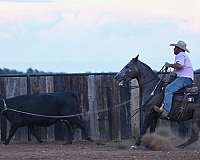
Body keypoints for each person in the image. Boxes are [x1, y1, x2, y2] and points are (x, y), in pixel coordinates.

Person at [153, 40, 194, 119]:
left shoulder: (180, 55)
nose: (174, 49)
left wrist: (169, 65)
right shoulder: (183, 56)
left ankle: (165, 111)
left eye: (175, 48)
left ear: (179, 49)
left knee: (168, 89)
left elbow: (180, 65)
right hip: (186, 78)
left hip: (184, 78)